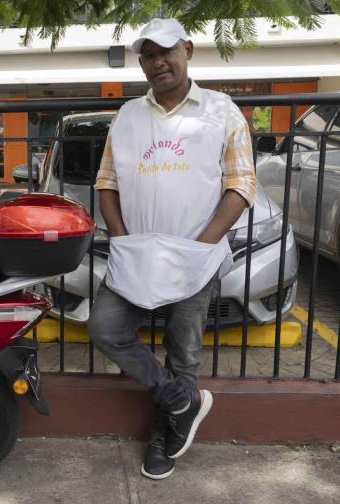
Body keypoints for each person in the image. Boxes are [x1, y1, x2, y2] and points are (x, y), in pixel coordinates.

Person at [87, 18, 256, 480]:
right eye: (147, 54)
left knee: (184, 351)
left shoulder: (222, 112)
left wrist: (201, 247)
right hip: (136, 253)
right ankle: (182, 399)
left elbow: (241, 185)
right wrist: (121, 238)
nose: (157, 62)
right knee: (106, 329)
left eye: (166, 51)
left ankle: (162, 435)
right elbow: (107, 183)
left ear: (188, 50)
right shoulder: (127, 115)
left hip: (196, 256)